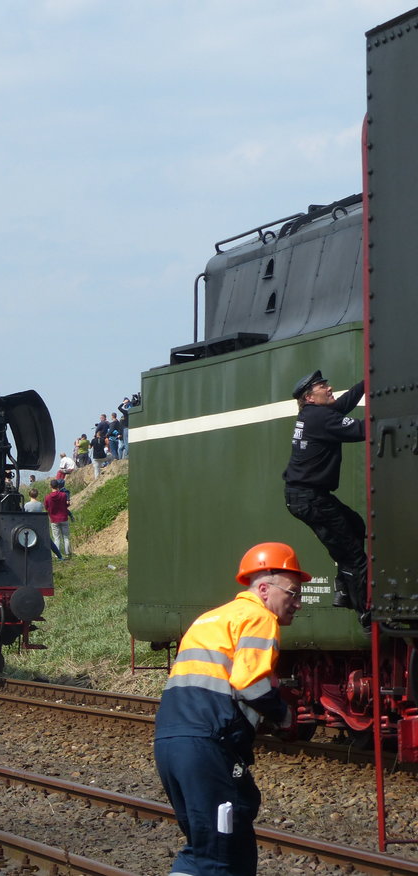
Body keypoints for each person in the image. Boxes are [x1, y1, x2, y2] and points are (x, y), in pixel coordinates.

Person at [154, 542, 306, 876]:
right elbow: (249, 683)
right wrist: (283, 716)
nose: (298, 602)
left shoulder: (210, 618)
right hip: (207, 745)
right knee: (223, 854)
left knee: (205, 848)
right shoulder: (259, 617)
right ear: (264, 589)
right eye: (292, 593)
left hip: (170, 743)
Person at [282, 369, 367, 617]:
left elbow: (342, 405)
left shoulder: (314, 414)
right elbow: (362, 430)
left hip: (305, 496)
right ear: (310, 397)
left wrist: (366, 383)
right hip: (311, 498)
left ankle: (342, 588)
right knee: (354, 555)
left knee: (355, 525)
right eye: (323, 386)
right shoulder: (321, 418)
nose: (329, 388)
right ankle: (365, 612)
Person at [44, 480, 72, 559]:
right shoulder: (63, 495)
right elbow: (66, 505)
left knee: (56, 538)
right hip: (63, 517)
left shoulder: (47, 497)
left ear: (50, 486)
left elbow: (46, 507)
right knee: (66, 537)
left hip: (53, 519)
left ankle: (57, 554)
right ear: (58, 486)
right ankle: (67, 553)